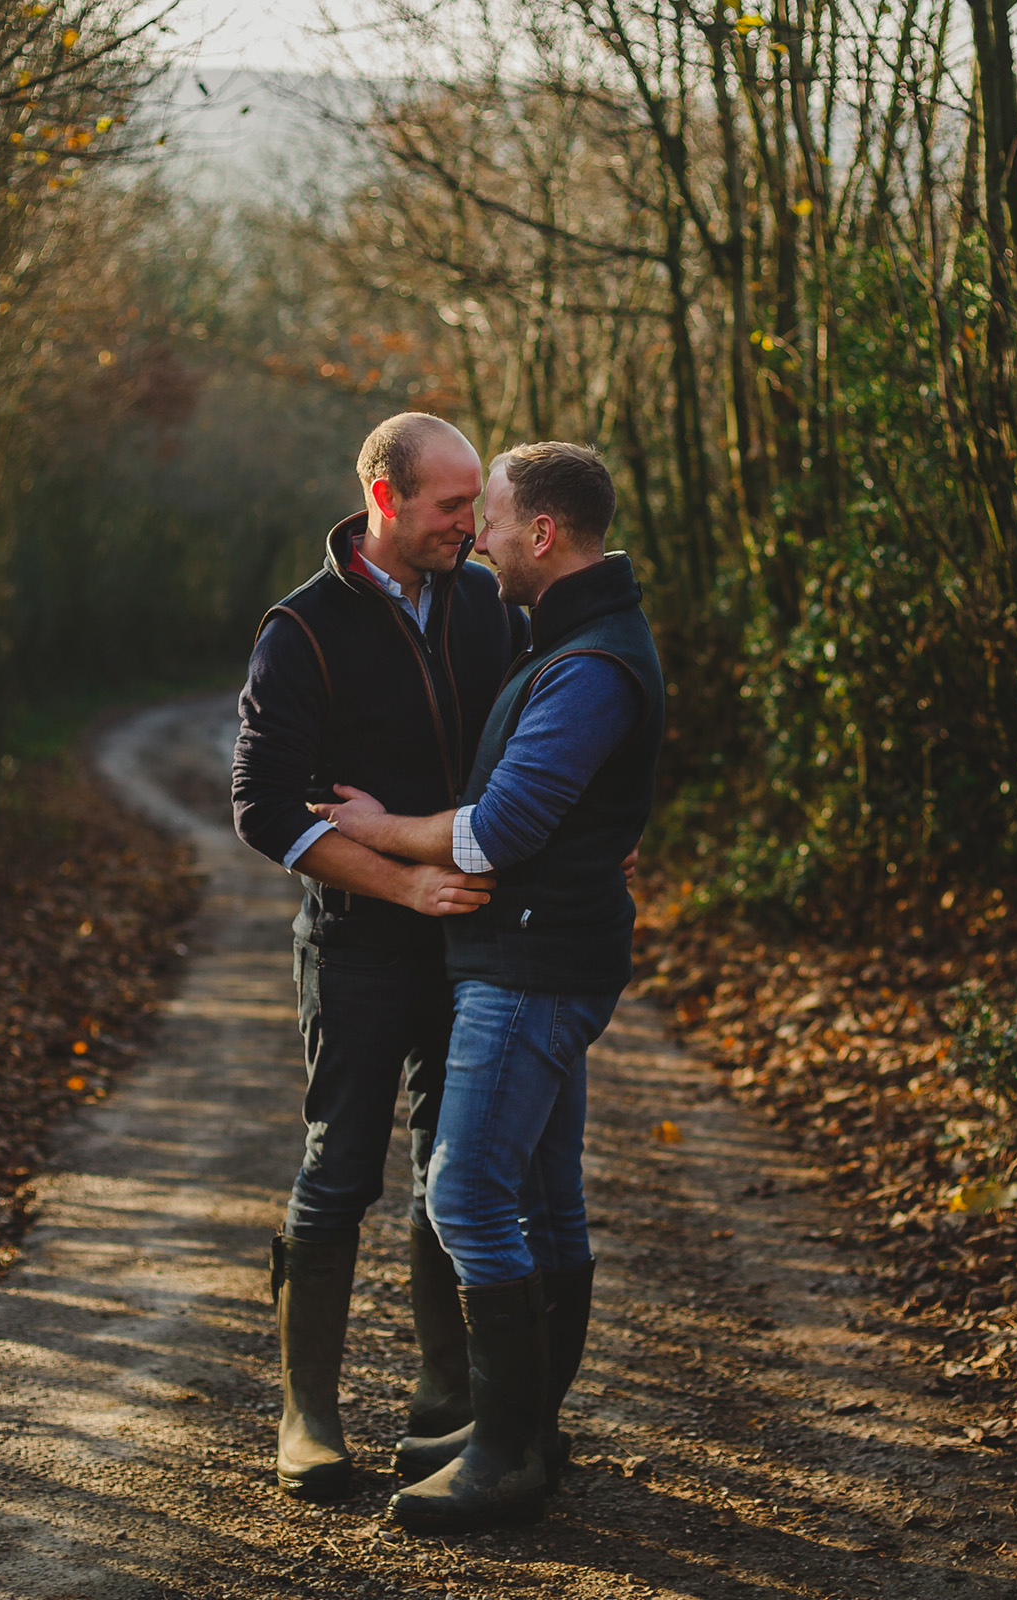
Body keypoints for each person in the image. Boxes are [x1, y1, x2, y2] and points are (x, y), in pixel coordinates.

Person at [306, 441, 664, 1533]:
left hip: (531, 961)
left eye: (495, 518)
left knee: (461, 1192)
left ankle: (506, 1452)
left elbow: (501, 828)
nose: (480, 537)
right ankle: (527, 1424)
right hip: (541, 948)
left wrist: (379, 833)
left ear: (543, 533)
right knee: (544, 1199)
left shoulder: (590, 661)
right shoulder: (569, 640)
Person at [229, 413, 528, 1502]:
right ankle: (306, 1413)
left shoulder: (490, 605)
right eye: (453, 506)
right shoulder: (300, 631)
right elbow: (261, 808)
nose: (473, 524)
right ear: (385, 496)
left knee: (456, 1172)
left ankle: (445, 1402)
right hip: (358, 944)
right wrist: (402, 879)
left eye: (474, 504)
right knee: (339, 1168)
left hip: (478, 945)